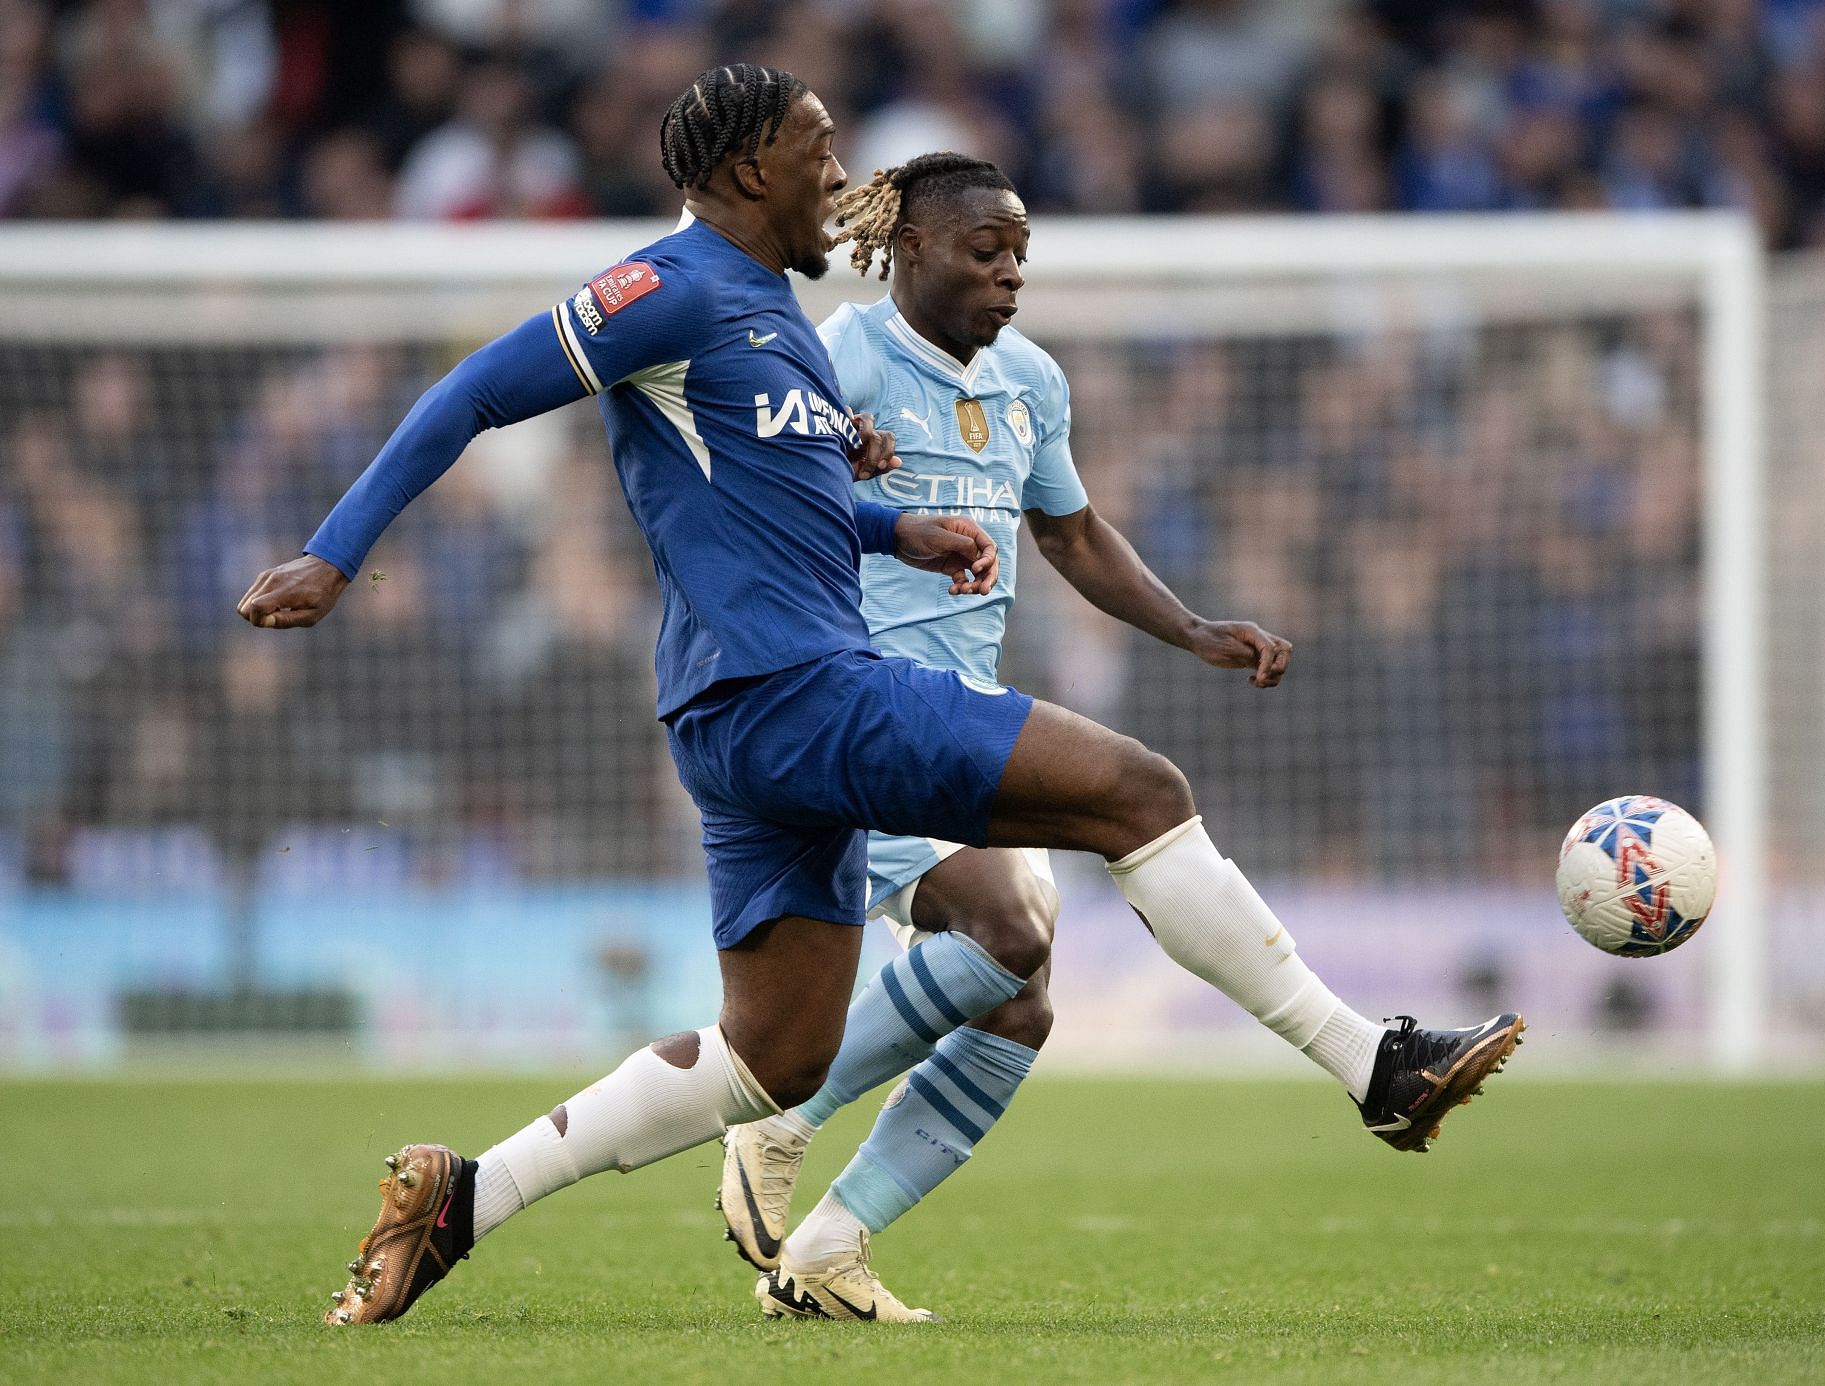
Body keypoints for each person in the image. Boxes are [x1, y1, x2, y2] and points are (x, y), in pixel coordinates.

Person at [236, 66, 1521, 1330]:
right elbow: (472, 389)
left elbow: (761, 495)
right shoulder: (669, 288)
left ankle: (466, 1196)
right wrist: (336, 552)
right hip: (800, 692)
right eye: (819, 148)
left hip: (742, 719)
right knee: (1140, 795)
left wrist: (891, 525)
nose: (841, 175)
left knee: (771, 1059)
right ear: (747, 171)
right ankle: (1374, 1063)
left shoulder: (768, 312)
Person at [718, 152, 1525, 1322]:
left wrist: (1191, 626)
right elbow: (749, 508)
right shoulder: (833, 359)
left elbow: (1075, 533)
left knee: (1019, 1001)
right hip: (855, 712)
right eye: (985, 252)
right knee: (1024, 909)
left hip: (960, 714)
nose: (1010, 276)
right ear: (904, 249)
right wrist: (857, 490)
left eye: (1021, 255)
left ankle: (830, 1250)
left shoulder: (1032, 381)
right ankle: (779, 1106)